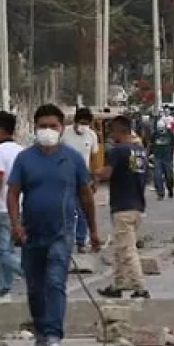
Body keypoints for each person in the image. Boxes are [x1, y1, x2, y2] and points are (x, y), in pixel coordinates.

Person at [7, 104, 100, 346]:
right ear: (35, 128)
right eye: (42, 126)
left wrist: (93, 230)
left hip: (62, 232)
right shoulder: (24, 159)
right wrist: (16, 225)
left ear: (61, 129)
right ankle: (40, 330)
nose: (47, 130)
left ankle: (54, 334)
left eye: (53, 126)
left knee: (56, 281)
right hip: (31, 232)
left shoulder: (72, 159)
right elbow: (13, 194)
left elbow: (86, 195)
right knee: (35, 287)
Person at [96, 116, 150, 300]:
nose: (111, 136)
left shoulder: (118, 151)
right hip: (137, 204)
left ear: (118, 131)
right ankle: (118, 284)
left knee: (127, 249)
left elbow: (107, 173)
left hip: (122, 205)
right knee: (120, 248)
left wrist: (91, 173)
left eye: (112, 132)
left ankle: (140, 286)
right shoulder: (139, 151)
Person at [0, 111, 25, 303]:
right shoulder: (21, 150)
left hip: (2, 207)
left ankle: (30, 274)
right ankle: (4, 290)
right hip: (21, 205)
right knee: (8, 249)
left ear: (0, 130)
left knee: (1, 252)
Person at [60, 107, 98, 254]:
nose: (84, 126)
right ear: (75, 121)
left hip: (83, 178)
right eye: (81, 122)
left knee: (83, 210)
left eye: (87, 123)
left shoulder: (92, 135)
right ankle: (65, 240)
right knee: (67, 208)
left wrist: (95, 179)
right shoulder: (65, 134)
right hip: (65, 176)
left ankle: (81, 241)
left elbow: (94, 158)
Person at [150, 116, 174, 199]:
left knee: (169, 177)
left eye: (162, 129)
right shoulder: (154, 134)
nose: (160, 131)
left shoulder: (170, 134)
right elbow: (150, 146)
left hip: (168, 159)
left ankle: (170, 189)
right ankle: (160, 193)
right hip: (158, 158)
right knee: (157, 176)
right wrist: (147, 156)